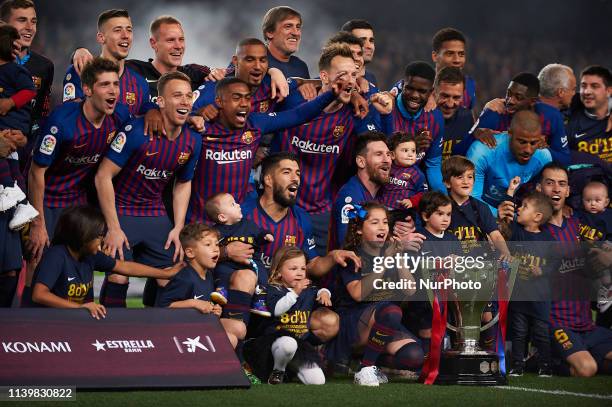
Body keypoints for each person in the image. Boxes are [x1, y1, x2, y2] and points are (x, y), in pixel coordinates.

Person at [273, 44, 393, 256]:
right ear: (324, 77)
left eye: (354, 75)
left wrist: (384, 115)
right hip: (281, 206)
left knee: (317, 277)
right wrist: (275, 72)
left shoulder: (355, 111)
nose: (350, 80)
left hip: (321, 211)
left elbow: (379, 150)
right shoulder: (295, 99)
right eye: (342, 74)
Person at [95, 71, 201, 307]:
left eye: (188, 96)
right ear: (160, 101)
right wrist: (112, 228)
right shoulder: (135, 131)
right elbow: (103, 176)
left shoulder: (194, 141)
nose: (185, 101)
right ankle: (107, 336)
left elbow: (183, 183)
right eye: (177, 96)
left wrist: (178, 227)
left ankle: (162, 339)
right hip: (121, 212)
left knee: (174, 277)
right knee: (119, 276)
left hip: (154, 214)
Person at [498, 163, 612, 377]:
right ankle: (539, 359)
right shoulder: (530, 232)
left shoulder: (579, 224)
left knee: (594, 366)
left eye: (562, 184)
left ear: (569, 191)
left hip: (586, 323)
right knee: (587, 369)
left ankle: (573, 354)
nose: (556, 189)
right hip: (555, 323)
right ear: (539, 189)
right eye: (550, 183)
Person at [187, 75, 345, 223]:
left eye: (247, 98)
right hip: (200, 220)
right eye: (236, 98)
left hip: (238, 218)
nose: (243, 103)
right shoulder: (201, 127)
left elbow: (298, 115)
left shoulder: (255, 123)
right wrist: (190, 116)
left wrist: (330, 94)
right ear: (219, 102)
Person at [27, 58, 130, 266]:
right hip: (48, 200)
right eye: (104, 84)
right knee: (39, 265)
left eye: (115, 84)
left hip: (79, 203)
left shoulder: (120, 116)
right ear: (87, 89)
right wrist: (38, 223)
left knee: (81, 267)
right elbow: (35, 172)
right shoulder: (62, 122)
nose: (113, 91)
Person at [325, 202, 422, 386]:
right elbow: (358, 294)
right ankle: (365, 368)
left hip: (385, 323)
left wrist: (399, 257)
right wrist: (385, 261)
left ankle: (372, 363)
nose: (382, 227)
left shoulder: (392, 251)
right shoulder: (353, 255)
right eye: (375, 222)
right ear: (360, 229)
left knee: (414, 356)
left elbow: (410, 289)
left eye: (385, 222)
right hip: (354, 322)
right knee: (391, 311)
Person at [29, 206, 182, 318]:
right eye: (99, 235)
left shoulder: (90, 255)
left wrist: (165, 273)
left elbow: (125, 266)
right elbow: (39, 295)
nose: (102, 240)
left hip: (75, 321)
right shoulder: (56, 256)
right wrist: (79, 308)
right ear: (82, 235)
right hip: (47, 323)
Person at [244, 246, 330, 385]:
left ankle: (289, 370)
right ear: (278, 272)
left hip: (300, 345)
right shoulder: (273, 289)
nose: (300, 273)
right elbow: (277, 310)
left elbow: (319, 290)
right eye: (293, 269)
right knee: (288, 344)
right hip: (274, 344)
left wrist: (324, 293)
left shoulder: (306, 289)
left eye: (302, 268)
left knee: (317, 381)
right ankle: (278, 371)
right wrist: (295, 292)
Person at [156, 223, 248, 351]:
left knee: (240, 328)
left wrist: (214, 309)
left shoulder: (209, 274)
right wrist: (193, 303)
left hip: (200, 324)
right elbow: (162, 307)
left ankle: (240, 364)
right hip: (181, 330)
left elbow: (204, 304)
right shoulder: (185, 277)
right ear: (190, 252)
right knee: (230, 339)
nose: (216, 249)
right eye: (208, 245)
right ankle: (212, 369)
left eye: (217, 244)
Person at [499, 188, 556, 377]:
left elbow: (555, 265)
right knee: (519, 332)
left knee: (541, 333)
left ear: (537, 216)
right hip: (519, 296)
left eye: (524, 207)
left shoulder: (548, 239)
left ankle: (545, 366)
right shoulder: (516, 232)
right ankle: (517, 365)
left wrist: (543, 270)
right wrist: (510, 193)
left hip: (540, 298)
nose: (519, 209)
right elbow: (506, 218)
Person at [62, 9, 153, 117]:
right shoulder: (80, 69)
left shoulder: (141, 84)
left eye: (129, 30)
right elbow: (70, 118)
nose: (125, 35)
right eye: (117, 30)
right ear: (101, 38)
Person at [472, 72, 570, 165]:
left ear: (533, 101)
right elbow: (462, 150)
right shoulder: (495, 112)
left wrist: (544, 150)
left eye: (518, 97)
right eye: (508, 94)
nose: (510, 101)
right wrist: (476, 133)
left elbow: (565, 159)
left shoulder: (551, 116)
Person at [0, 0, 54, 169]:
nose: (30, 27)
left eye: (34, 21)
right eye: (22, 20)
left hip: (24, 151)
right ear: (4, 25)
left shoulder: (45, 66)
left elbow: (41, 115)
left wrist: (26, 138)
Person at [468, 110, 552, 215]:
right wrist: (497, 214)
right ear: (509, 133)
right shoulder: (481, 152)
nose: (528, 150)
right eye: (522, 142)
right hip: (482, 215)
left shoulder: (543, 157)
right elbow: (470, 200)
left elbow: (545, 197)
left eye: (533, 143)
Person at [205, 192, 273, 312]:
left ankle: (259, 300)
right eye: (233, 204)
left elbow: (259, 234)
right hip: (228, 263)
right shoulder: (216, 231)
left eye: (236, 202)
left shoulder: (248, 224)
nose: (238, 205)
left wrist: (266, 236)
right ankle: (221, 290)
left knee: (262, 274)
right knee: (221, 269)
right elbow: (211, 250)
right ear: (222, 217)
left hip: (251, 261)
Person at [0, 23, 37, 231]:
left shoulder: (14, 70)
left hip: (11, 124)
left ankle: (7, 188)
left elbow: (30, 91)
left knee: (4, 154)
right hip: (8, 128)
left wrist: (9, 103)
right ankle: (23, 205)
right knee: (13, 166)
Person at [388, 61, 446, 192]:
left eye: (422, 91)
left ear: (431, 92)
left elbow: (434, 165)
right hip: (383, 187)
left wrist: (444, 199)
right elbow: (376, 159)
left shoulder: (435, 119)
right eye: (410, 88)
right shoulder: (387, 110)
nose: (414, 95)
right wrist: (411, 146)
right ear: (402, 85)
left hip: (412, 189)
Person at [575, 180, 612, 321]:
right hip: (586, 255)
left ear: (606, 202)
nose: (592, 204)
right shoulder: (581, 216)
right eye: (588, 200)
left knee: (605, 274)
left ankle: (607, 291)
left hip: (602, 252)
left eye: (597, 200)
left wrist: (609, 243)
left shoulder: (607, 216)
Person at [565, 65, 611, 163]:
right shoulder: (570, 122)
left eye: (594, 86)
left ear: (608, 91)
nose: (587, 91)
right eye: (583, 86)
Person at [431, 27, 476, 112]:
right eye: (450, 54)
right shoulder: (418, 86)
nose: (457, 60)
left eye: (461, 54)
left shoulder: (469, 84)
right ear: (435, 56)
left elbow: (469, 119)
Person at [433, 66, 474, 159]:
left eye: (456, 97)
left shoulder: (467, 118)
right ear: (434, 92)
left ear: (463, 96)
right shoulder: (421, 118)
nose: (450, 104)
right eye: (445, 96)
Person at [381, 131, 425, 212]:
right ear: (392, 155)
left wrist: (412, 201)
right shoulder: (387, 167)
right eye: (405, 150)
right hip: (383, 208)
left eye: (413, 151)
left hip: (403, 212)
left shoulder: (417, 174)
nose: (410, 154)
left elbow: (423, 193)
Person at [261, 6, 309, 78]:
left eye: (298, 27)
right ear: (270, 32)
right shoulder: (255, 62)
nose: (296, 33)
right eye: (288, 26)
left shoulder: (301, 67)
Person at [341, 19, 377, 85]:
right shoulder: (328, 82)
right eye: (362, 41)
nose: (369, 46)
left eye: (371, 41)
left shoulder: (371, 78)